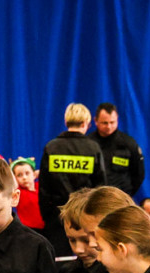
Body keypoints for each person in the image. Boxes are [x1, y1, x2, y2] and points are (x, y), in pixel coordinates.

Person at [37, 103, 106, 255]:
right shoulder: (93, 148)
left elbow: (43, 189)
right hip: (86, 219)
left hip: (57, 219)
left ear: (66, 122)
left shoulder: (51, 147)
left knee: (59, 263)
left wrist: (48, 218)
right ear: (85, 123)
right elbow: (100, 189)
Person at [89, 103, 145, 197]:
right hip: (94, 198)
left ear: (117, 120)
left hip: (120, 198)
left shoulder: (128, 143)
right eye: (105, 123)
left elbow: (138, 175)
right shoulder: (88, 144)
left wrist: (126, 195)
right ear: (96, 121)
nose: (109, 127)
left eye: (112, 122)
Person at [10, 157, 44, 234]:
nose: (24, 177)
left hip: (45, 229)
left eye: (27, 173)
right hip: (27, 230)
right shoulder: (18, 191)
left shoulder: (41, 187)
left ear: (34, 174)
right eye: (19, 175)